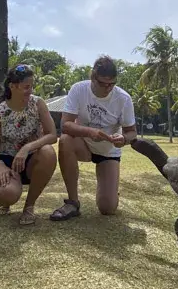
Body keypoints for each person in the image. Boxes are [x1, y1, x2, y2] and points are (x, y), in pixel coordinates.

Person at [50, 55, 137, 221]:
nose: (107, 88)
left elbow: (132, 132)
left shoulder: (123, 99)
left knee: (108, 208)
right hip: (83, 144)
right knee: (65, 140)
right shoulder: (78, 89)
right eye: (102, 83)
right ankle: (72, 202)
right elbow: (65, 125)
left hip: (108, 152)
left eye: (111, 84)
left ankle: (110, 190)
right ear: (92, 77)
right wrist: (89, 132)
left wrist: (124, 139)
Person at [0, 64, 58, 225]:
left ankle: (29, 207)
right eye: (26, 87)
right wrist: (1, 166)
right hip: (5, 163)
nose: (30, 90)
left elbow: (52, 135)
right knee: (8, 196)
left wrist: (27, 148)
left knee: (48, 152)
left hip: (30, 160)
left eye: (31, 86)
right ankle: (2, 195)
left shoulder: (37, 104)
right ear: (12, 86)